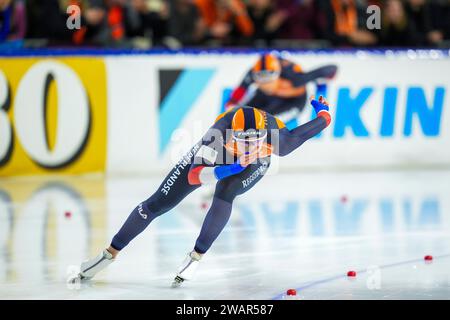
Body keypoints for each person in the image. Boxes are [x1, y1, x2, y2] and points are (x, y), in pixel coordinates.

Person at [72, 96, 332, 287]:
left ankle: (197, 256)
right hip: (218, 157)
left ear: (265, 137)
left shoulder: (280, 140)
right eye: (243, 141)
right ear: (232, 135)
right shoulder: (215, 136)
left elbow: (319, 123)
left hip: (253, 164)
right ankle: (109, 253)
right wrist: (228, 167)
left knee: (226, 192)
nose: (248, 146)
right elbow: (195, 175)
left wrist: (323, 112)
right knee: (158, 203)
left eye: (255, 141)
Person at [225, 53, 337, 128]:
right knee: (239, 116)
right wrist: (232, 102)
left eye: (269, 80)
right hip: (266, 97)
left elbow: (331, 69)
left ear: (278, 74)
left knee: (263, 125)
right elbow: (242, 88)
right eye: (261, 81)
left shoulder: (293, 75)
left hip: (293, 102)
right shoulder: (253, 72)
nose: (266, 84)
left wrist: (321, 85)